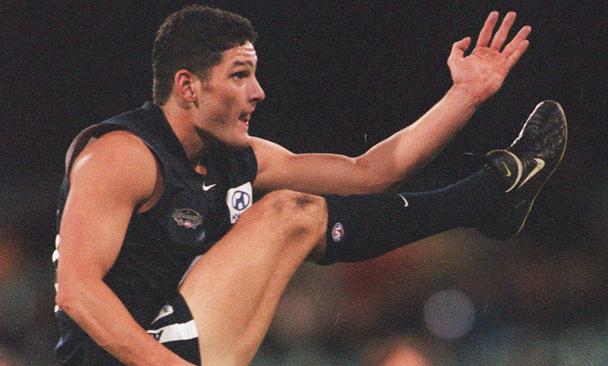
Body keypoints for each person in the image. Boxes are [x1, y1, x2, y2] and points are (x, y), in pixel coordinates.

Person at [52, 5, 567, 366]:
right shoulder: (122, 155)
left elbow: (369, 174)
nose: (258, 91)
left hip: (175, 341)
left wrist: (464, 97)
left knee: (296, 213)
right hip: (129, 357)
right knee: (286, 214)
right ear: (187, 86)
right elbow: (77, 291)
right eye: (239, 75)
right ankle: (487, 196)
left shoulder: (238, 159)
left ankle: (488, 197)